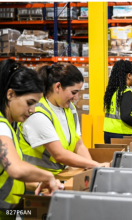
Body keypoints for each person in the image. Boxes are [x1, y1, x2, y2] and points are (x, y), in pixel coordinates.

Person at [18, 63, 107, 176]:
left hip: (59, 176)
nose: (76, 98)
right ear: (58, 87)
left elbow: (78, 144)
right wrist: (96, 166)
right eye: (74, 92)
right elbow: (59, 154)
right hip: (36, 181)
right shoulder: (37, 113)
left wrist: (92, 169)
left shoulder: (70, 109)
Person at [0, 59, 60, 219]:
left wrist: (39, 184)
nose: (32, 110)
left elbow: (8, 177)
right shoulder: (1, 126)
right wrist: (48, 176)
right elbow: (16, 169)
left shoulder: (10, 126)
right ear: (10, 94)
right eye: (29, 103)